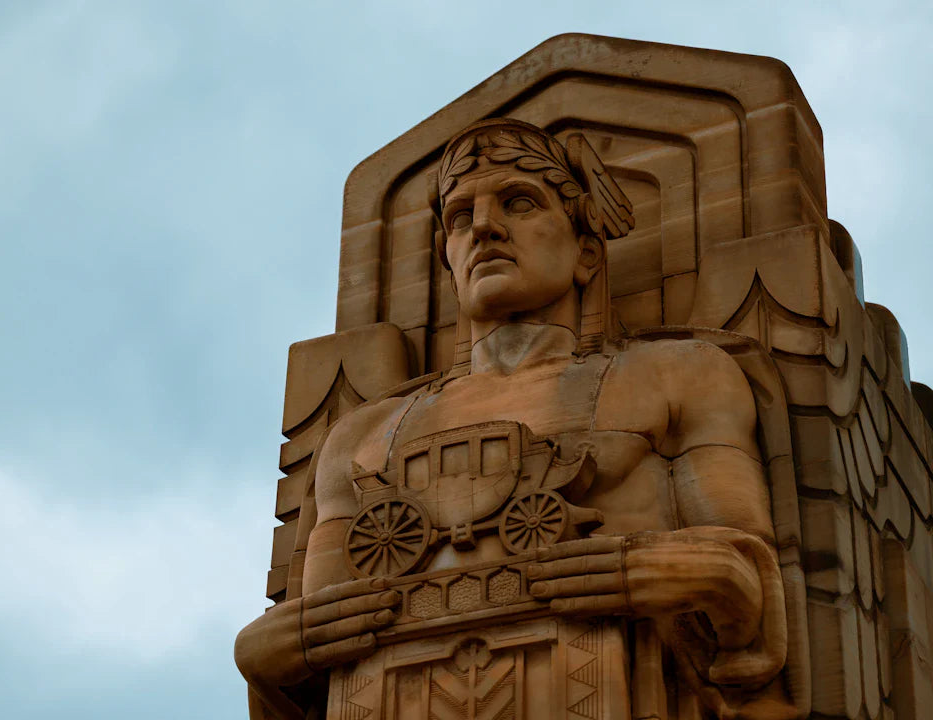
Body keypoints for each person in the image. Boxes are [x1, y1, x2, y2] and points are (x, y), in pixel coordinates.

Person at [237, 119, 792, 720]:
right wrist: (258, 651)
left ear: (585, 252)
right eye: (460, 217)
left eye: (519, 203)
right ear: (448, 261)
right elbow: (313, 644)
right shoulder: (361, 435)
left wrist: (630, 572)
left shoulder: (677, 375)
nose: (484, 228)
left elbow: (747, 579)